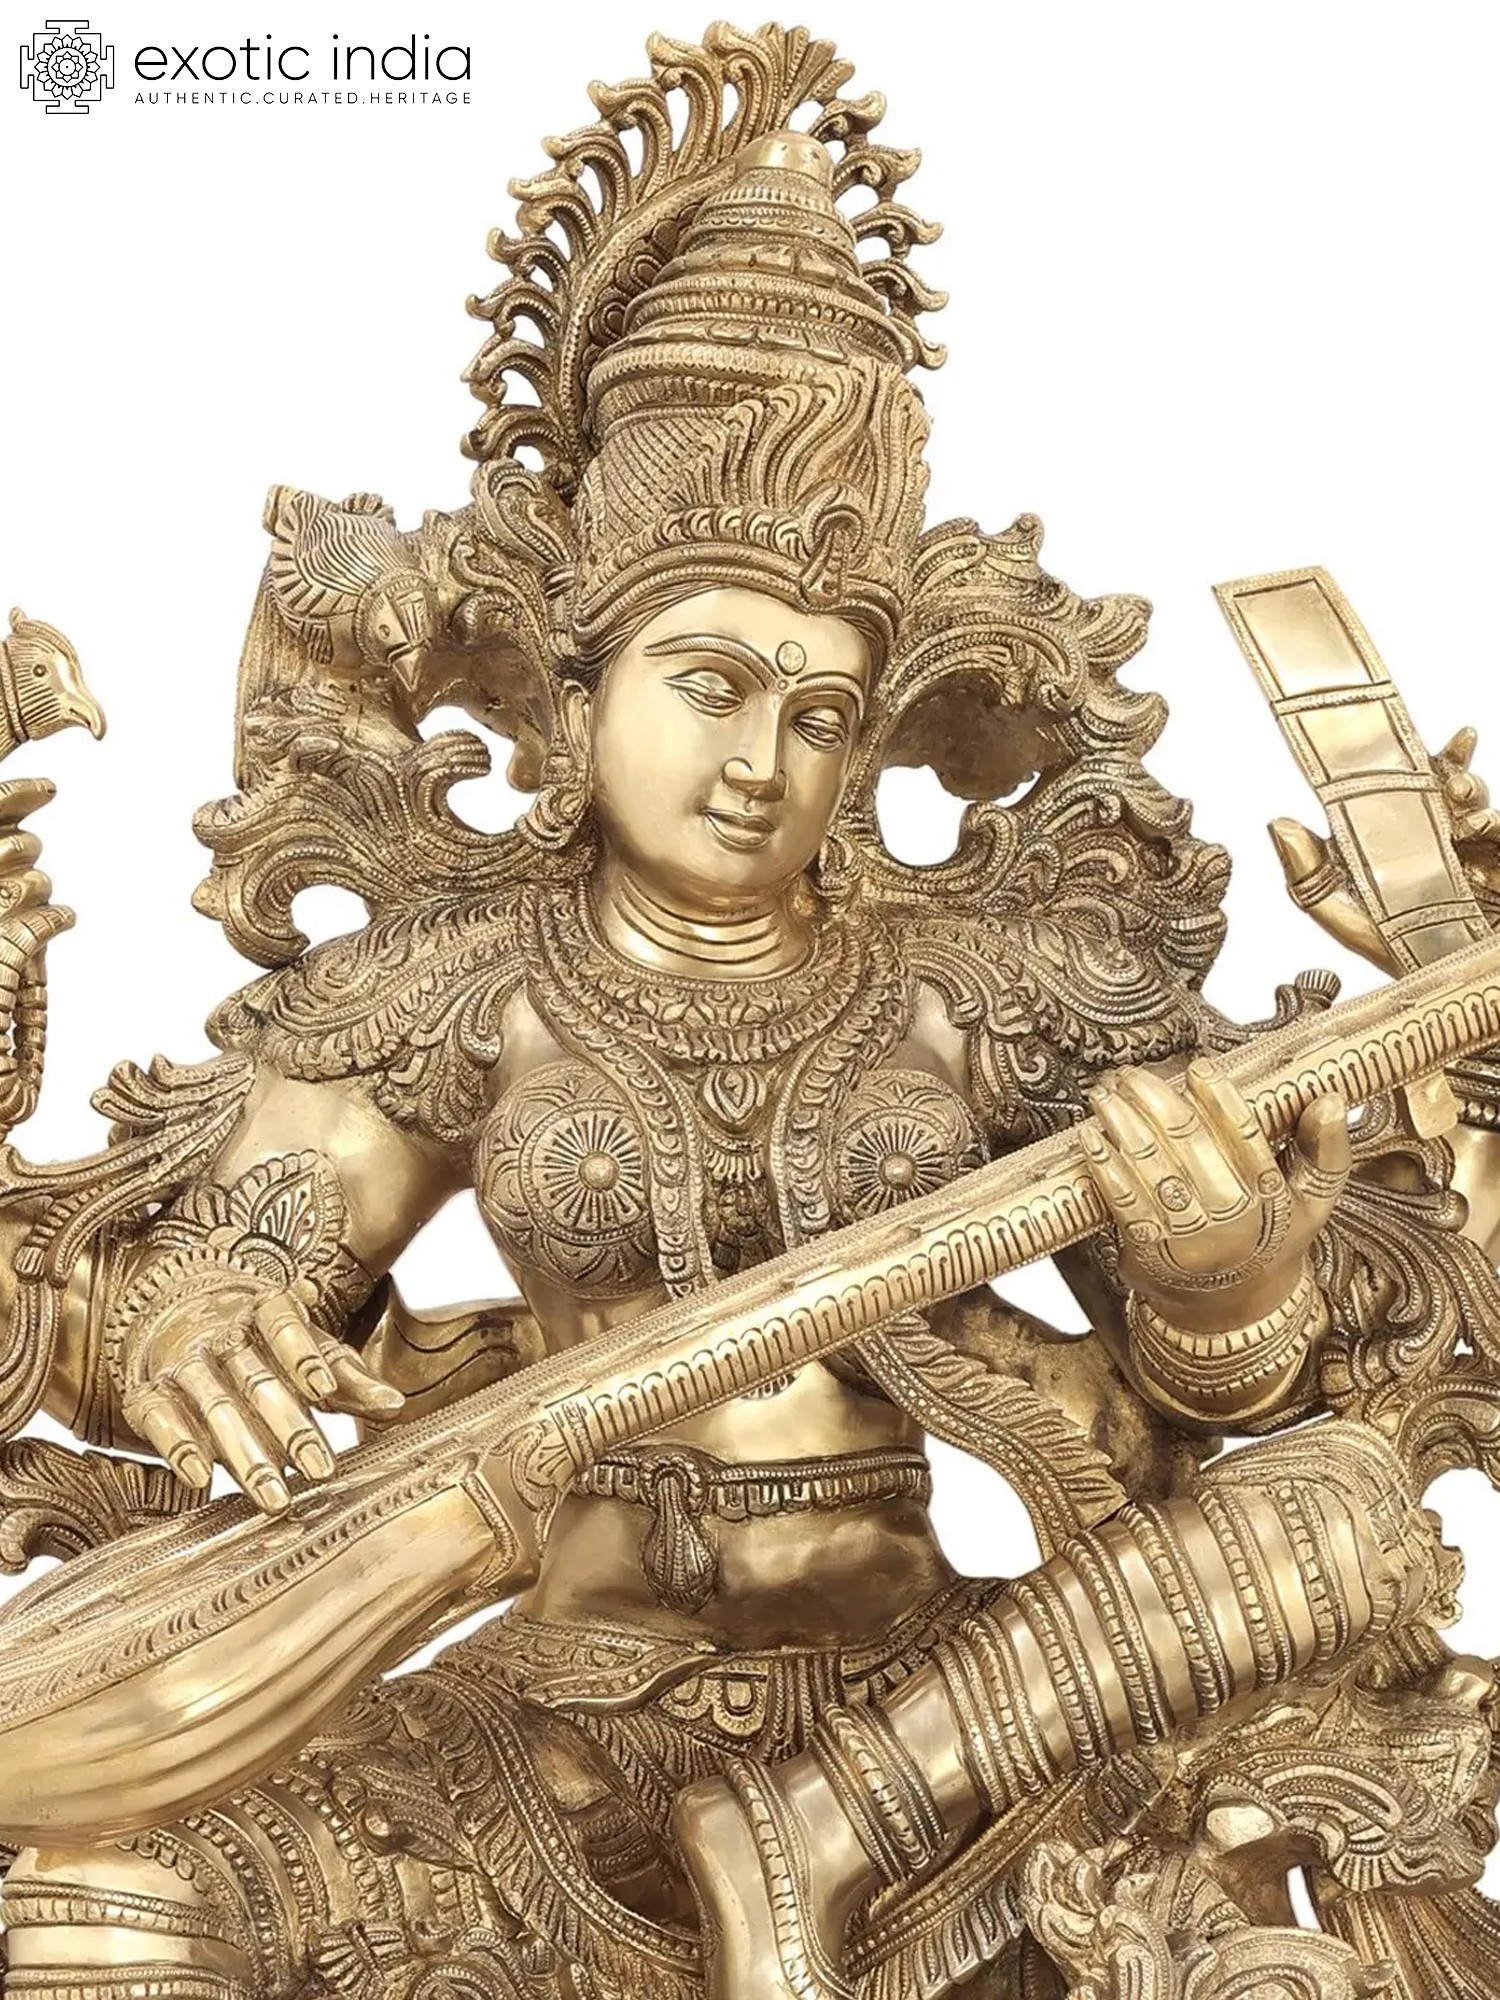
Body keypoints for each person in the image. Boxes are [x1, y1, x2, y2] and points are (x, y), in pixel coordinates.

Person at [0, 30, 1484, 2000]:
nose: (762, 759)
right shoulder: (463, 984)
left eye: (819, 711)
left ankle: (818, 1827)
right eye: (708, 685)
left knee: (1349, 1514)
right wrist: (200, 1327)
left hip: (960, 1707)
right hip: (551, 1719)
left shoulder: (978, 983)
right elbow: (236, 1261)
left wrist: (1222, 1277)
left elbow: (1231, 1400)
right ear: (574, 690)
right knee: (97, 1888)